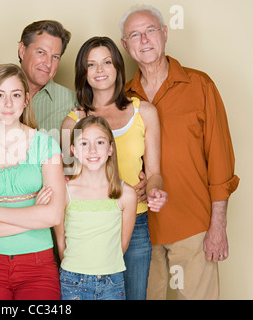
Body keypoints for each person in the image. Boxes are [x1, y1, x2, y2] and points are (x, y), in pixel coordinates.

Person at [120, 5, 240, 299]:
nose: (144, 39)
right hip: (140, 230)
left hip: (193, 225)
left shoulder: (200, 85)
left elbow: (221, 160)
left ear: (165, 32)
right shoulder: (123, 97)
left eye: (150, 30)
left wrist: (218, 225)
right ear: (125, 45)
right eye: (135, 35)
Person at [62, 36, 168, 300]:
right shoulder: (72, 122)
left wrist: (153, 191)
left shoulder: (144, 112)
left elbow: (154, 173)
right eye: (91, 65)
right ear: (82, 73)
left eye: (107, 62)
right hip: (88, 225)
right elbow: (68, 179)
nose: (100, 70)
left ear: (118, 68)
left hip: (136, 220)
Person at [0, 63, 66, 300]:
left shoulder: (46, 146)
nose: (8, 104)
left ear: (26, 100)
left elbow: (54, 216)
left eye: (15, 95)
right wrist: (34, 217)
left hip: (38, 265)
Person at [55, 115, 137, 300]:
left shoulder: (126, 194)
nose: (92, 150)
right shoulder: (65, 192)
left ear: (110, 149)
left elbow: (121, 245)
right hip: (72, 280)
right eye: (84, 144)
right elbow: (61, 242)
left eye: (99, 142)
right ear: (73, 150)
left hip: (112, 281)